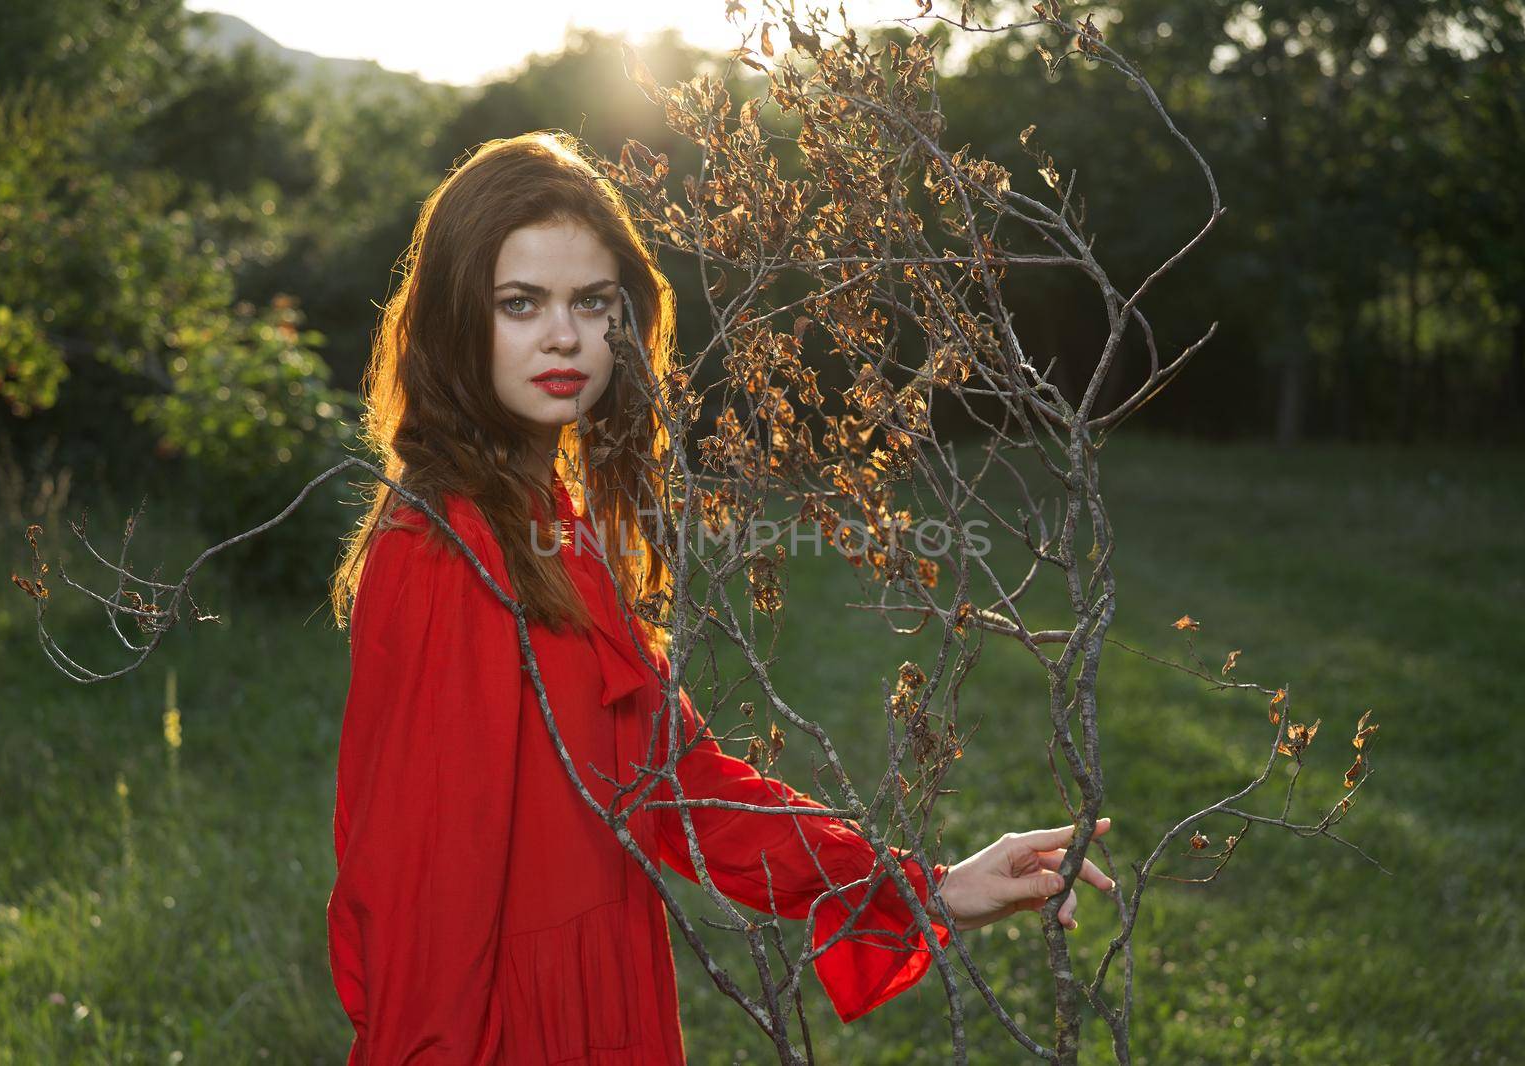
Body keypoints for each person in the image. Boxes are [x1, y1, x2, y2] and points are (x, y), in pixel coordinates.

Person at [325, 131, 1115, 1065]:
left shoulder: (554, 525)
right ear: (458, 319)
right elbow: (420, 892)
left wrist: (921, 889)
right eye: (519, 304)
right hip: (511, 1026)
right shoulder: (442, 552)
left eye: (592, 302)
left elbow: (684, 790)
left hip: (604, 994)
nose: (565, 336)